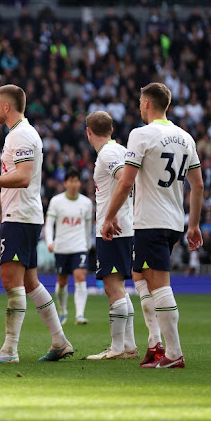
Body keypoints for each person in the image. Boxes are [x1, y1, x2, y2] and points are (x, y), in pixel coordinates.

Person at [0, 84, 74, 363]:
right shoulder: (18, 134)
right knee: (29, 280)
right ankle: (60, 341)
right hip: (22, 214)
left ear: (7, 107)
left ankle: (9, 350)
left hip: (21, 217)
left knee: (11, 280)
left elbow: (23, 178)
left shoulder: (21, 136)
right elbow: (17, 181)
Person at [101, 83, 203, 369]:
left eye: (139, 101)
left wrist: (109, 217)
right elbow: (198, 185)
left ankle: (174, 353)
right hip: (173, 220)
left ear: (146, 103)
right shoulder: (186, 137)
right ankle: (155, 345)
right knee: (139, 275)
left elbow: (127, 180)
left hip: (151, 221)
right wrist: (193, 224)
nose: (138, 105)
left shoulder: (141, 135)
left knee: (159, 284)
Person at [84, 111, 140, 360]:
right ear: (111, 129)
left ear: (88, 132)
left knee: (112, 286)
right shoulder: (120, 150)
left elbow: (123, 179)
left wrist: (111, 215)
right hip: (122, 227)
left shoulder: (107, 153)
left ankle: (117, 348)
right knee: (119, 287)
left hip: (112, 229)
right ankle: (128, 346)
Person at [44, 167, 93, 325]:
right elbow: (49, 223)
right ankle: (63, 310)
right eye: (71, 180)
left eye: (76, 180)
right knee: (62, 281)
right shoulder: (56, 201)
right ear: (65, 183)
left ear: (80, 183)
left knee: (80, 277)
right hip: (62, 247)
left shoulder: (86, 203)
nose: (74, 184)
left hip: (79, 246)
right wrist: (50, 241)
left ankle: (79, 314)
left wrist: (87, 243)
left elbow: (87, 226)